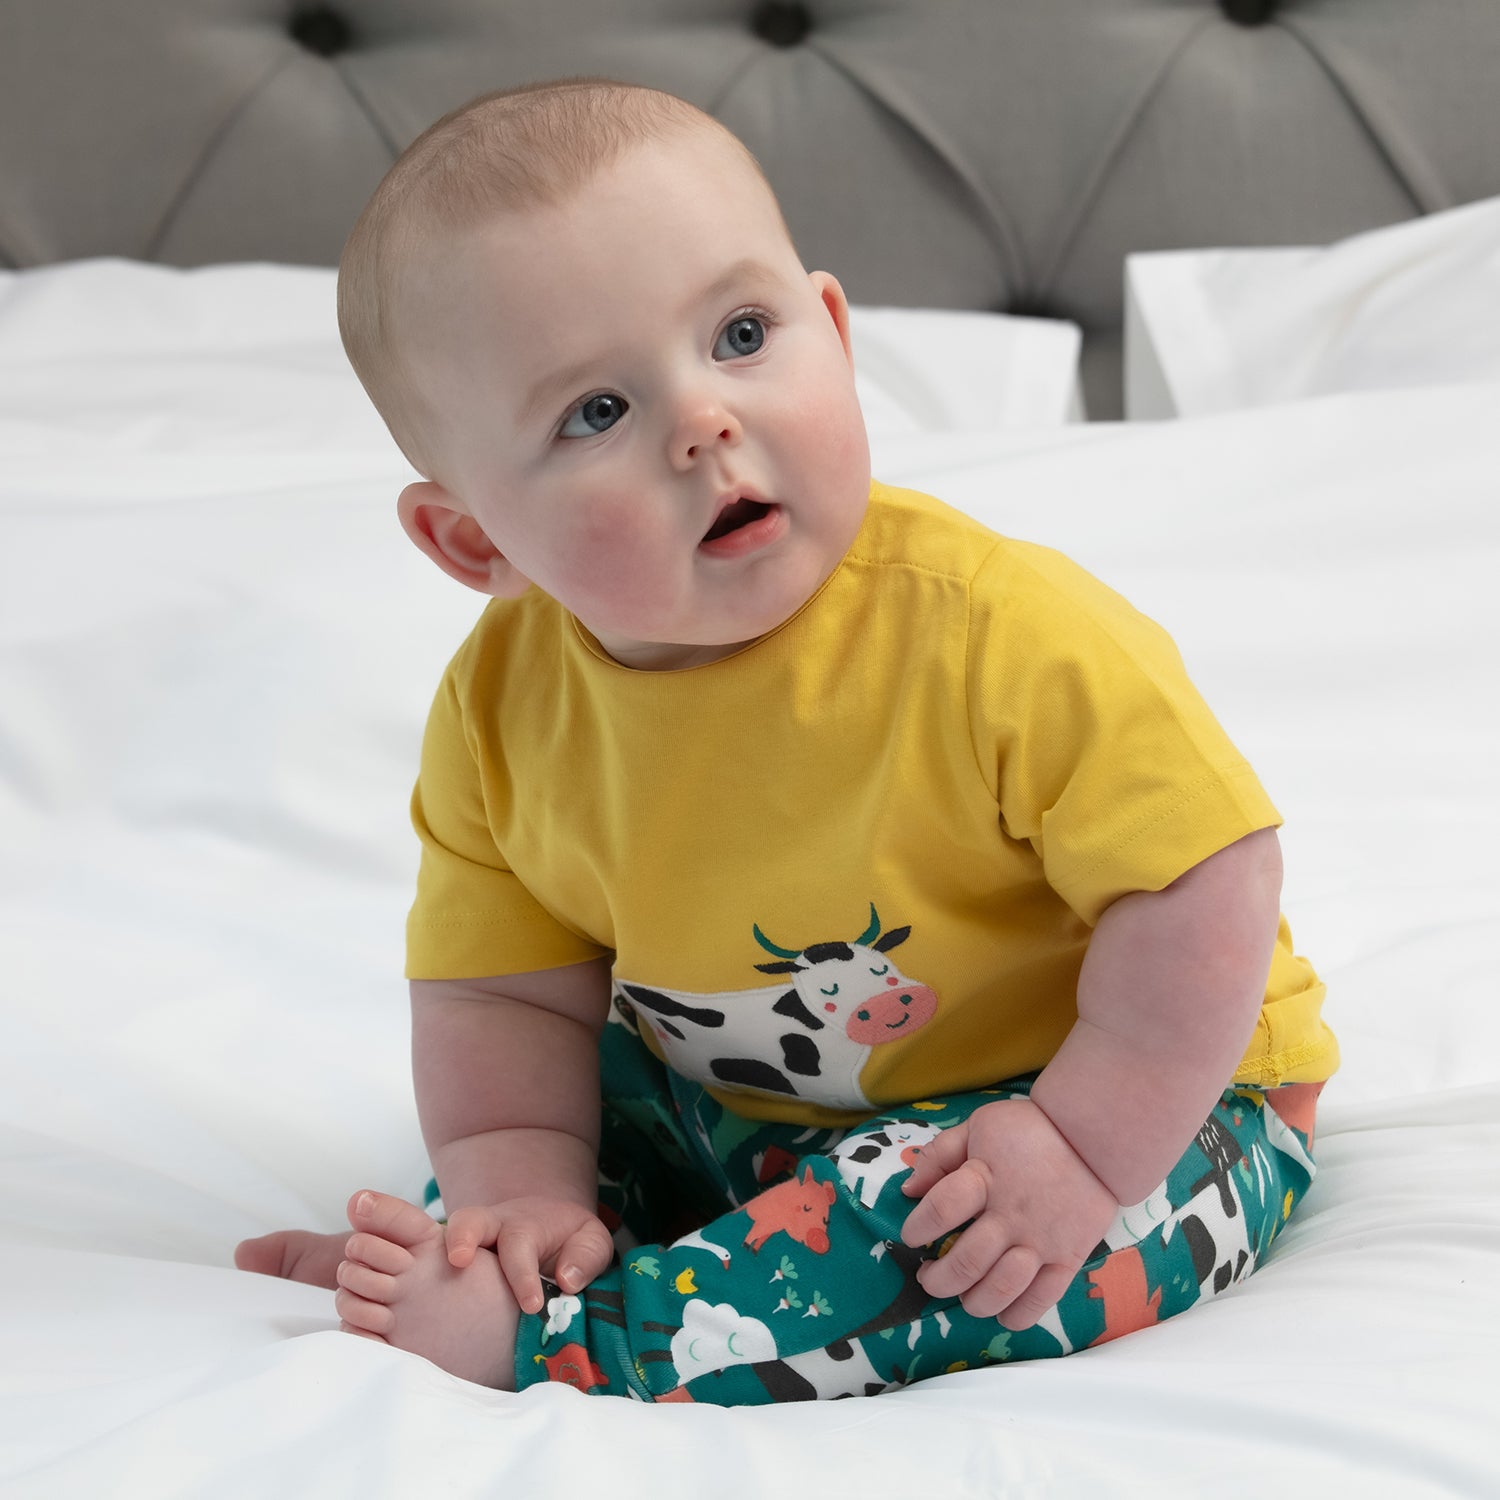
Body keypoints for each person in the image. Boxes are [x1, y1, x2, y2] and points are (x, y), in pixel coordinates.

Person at [235, 78, 1338, 1403]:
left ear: (836, 333)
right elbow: (502, 998)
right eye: (596, 413)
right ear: (474, 540)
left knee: (924, 1223)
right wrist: (513, 1191)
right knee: (571, 1105)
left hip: (1151, 1098)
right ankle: (504, 1267)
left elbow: (1212, 882)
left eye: (742, 335)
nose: (703, 420)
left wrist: (1079, 1146)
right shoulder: (498, 712)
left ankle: (564, 1342)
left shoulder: (995, 634)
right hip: (761, 1106)